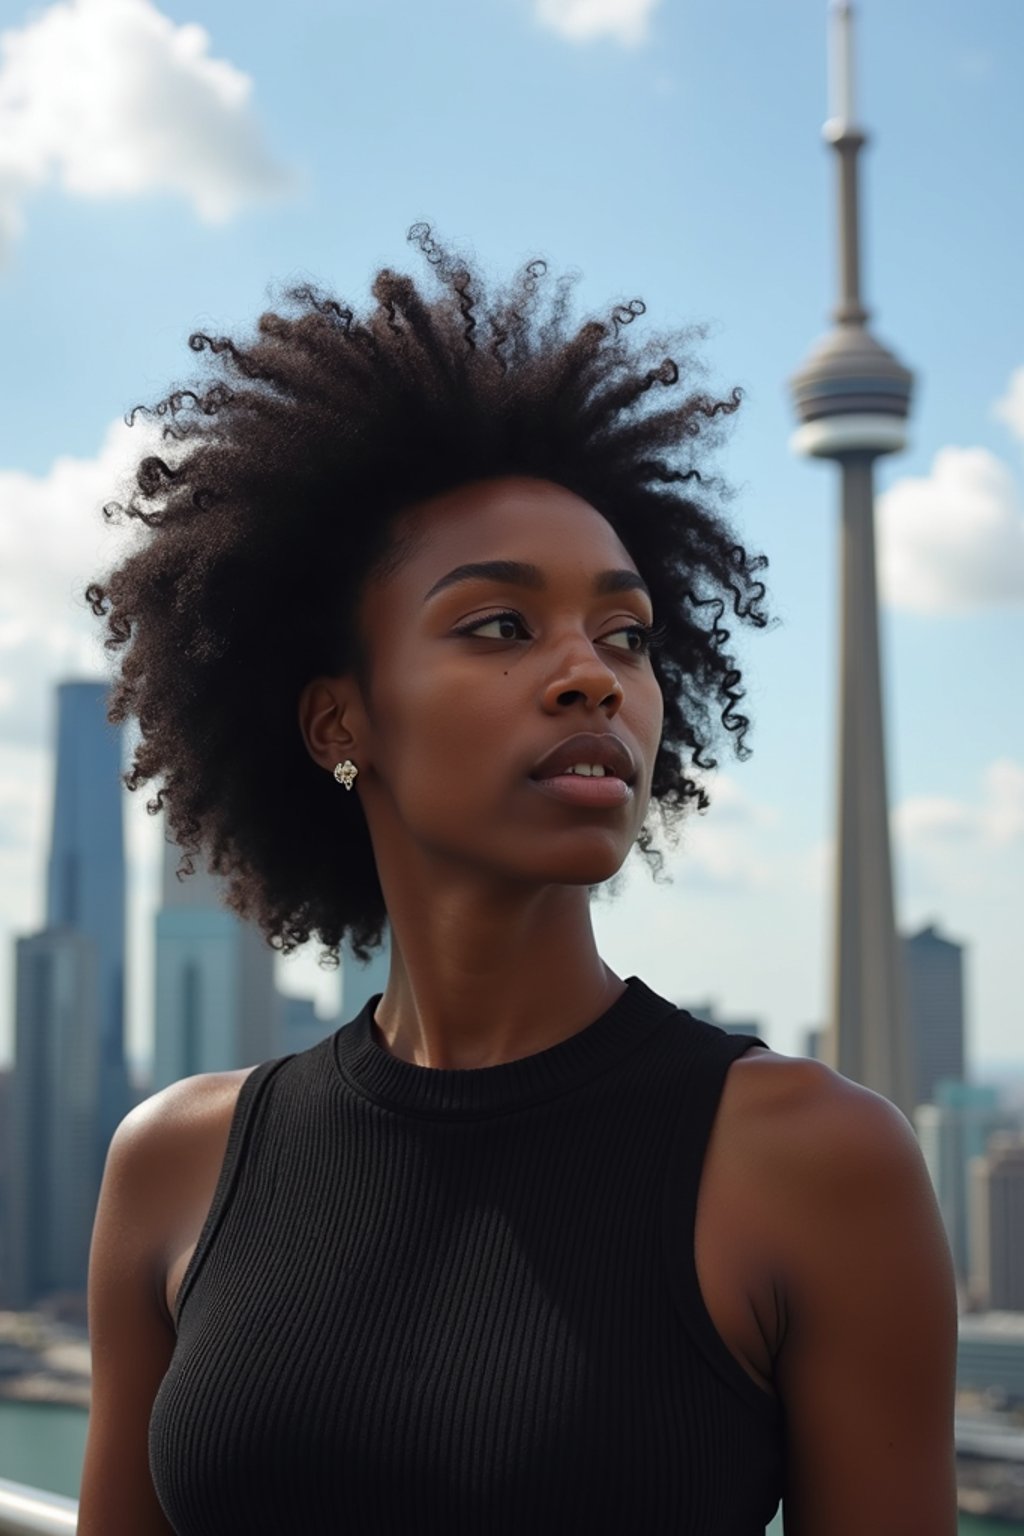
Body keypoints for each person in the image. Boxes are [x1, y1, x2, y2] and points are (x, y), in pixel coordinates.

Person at [77, 225, 957, 1535]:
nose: (591, 673)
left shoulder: (815, 1163)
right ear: (337, 722)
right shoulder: (176, 1163)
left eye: (627, 633)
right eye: (499, 624)